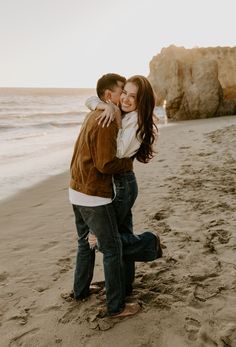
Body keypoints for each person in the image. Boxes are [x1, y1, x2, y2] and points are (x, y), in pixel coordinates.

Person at [69, 73, 141, 318]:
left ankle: (79, 292)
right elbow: (105, 164)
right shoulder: (107, 118)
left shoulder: (93, 113)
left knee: (84, 245)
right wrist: (128, 164)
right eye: (122, 91)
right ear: (109, 95)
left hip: (76, 190)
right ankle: (115, 307)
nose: (124, 96)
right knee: (111, 249)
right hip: (93, 195)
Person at [85, 75, 162, 296]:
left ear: (142, 101)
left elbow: (116, 153)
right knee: (122, 231)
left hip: (123, 185)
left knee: (101, 239)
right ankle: (124, 286)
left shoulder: (135, 121)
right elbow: (89, 100)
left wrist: (116, 118)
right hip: (121, 182)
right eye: (125, 93)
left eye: (133, 96)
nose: (126, 99)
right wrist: (103, 105)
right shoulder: (124, 113)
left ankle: (149, 242)